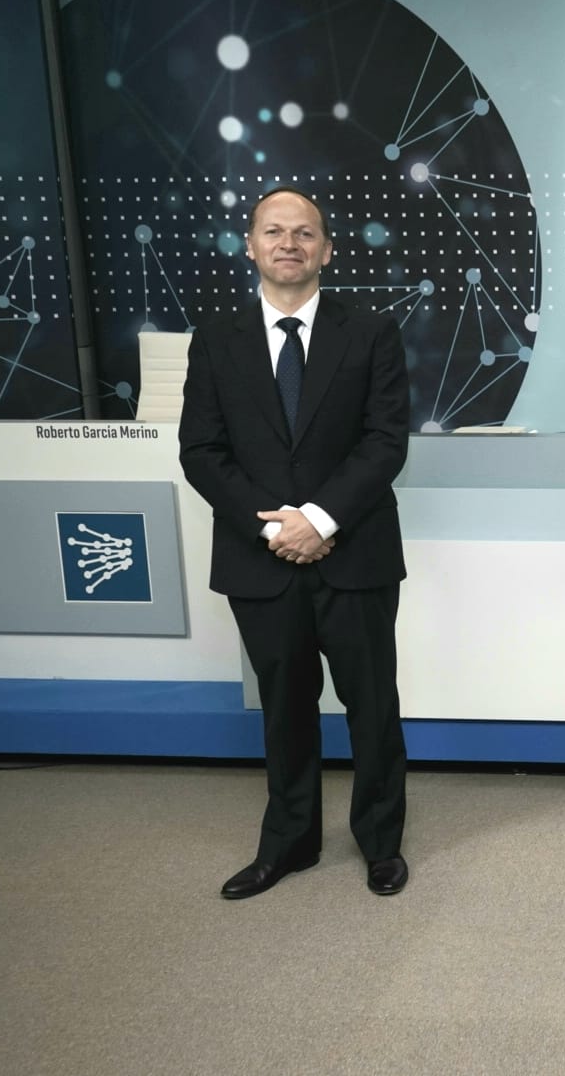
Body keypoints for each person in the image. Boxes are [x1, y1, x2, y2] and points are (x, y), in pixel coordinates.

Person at [179, 186, 412, 899]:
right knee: (284, 707)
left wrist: (319, 518)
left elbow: (385, 442)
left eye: (304, 233)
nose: (289, 243)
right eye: (273, 231)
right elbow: (201, 450)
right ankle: (289, 844)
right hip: (261, 559)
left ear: (327, 250)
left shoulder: (371, 332)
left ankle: (380, 844)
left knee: (371, 704)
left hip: (356, 552)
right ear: (249, 245)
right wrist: (276, 524)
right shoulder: (217, 338)